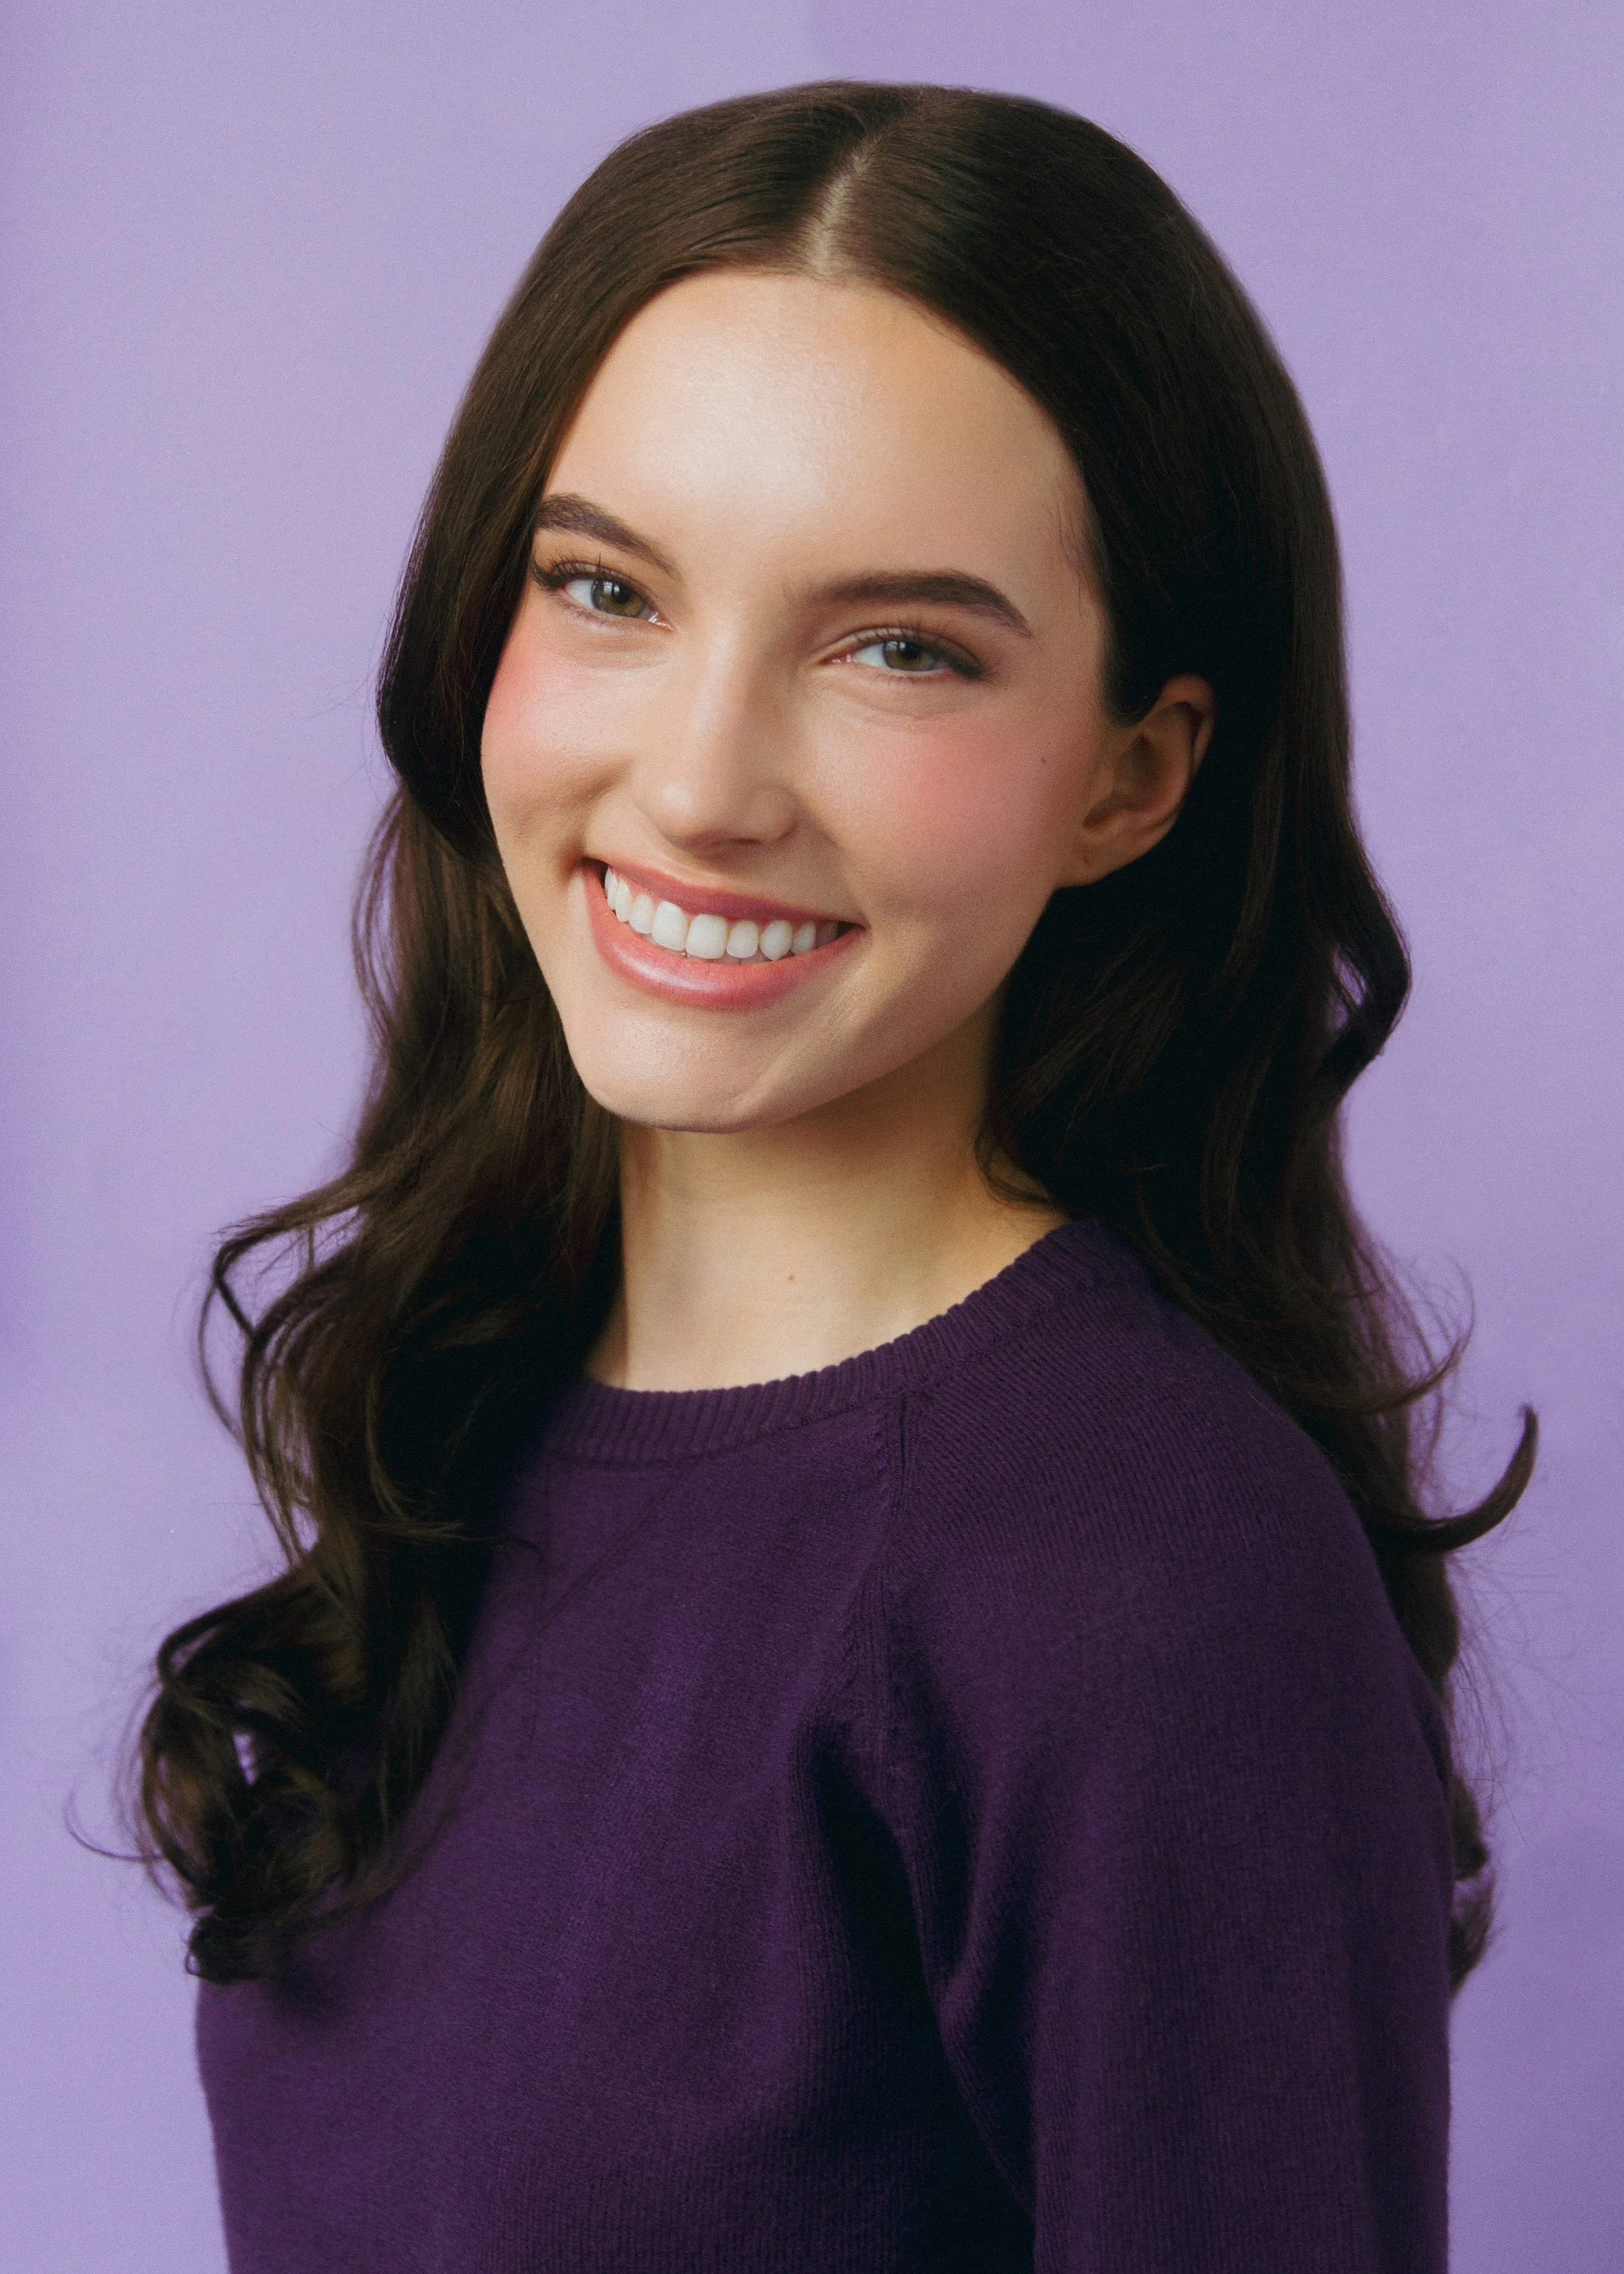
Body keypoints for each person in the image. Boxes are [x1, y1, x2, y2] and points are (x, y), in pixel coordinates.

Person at [135, 81, 1533, 2272]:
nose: (699, 784)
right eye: (606, 589)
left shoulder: (1146, 1579)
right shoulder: (479, 1416)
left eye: (899, 648)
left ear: (1129, 776)